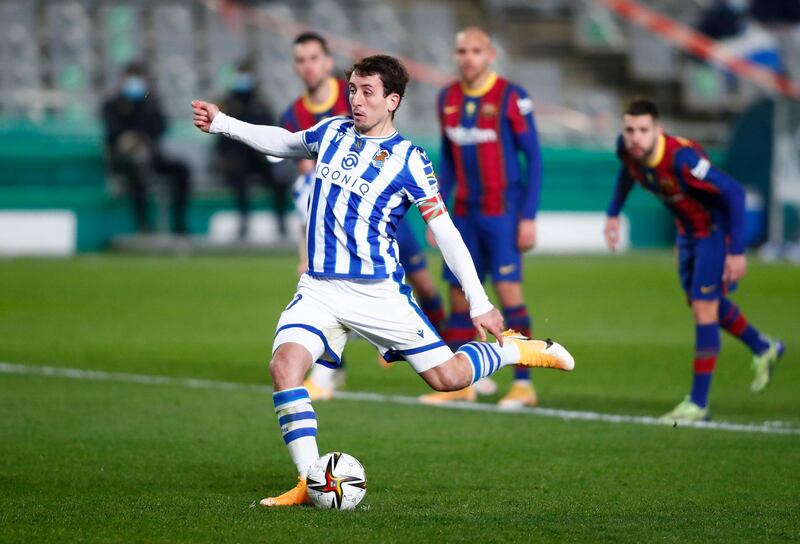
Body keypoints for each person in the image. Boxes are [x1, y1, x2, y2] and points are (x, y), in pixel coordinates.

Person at [192, 54, 574, 507]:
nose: (356, 99)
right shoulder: (332, 132)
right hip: (318, 288)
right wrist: (223, 123)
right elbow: (285, 141)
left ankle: (515, 349)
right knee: (284, 369)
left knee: (447, 377)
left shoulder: (410, 160)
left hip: (378, 294)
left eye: (367, 92)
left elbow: (446, 233)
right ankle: (308, 481)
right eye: (353, 89)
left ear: (392, 101)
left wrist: (478, 302)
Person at [283, 32, 446, 399]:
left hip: (382, 220)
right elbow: (305, 190)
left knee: (423, 284)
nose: (307, 66)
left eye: (313, 58)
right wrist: (303, 250)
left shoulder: (364, 110)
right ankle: (330, 371)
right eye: (300, 60)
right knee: (332, 298)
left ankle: (435, 346)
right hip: (333, 223)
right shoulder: (294, 114)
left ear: (326, 61)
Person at [604, 98, 785, 423]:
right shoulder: (627, 149)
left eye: (643, 130)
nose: (635, 137)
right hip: (687, 231)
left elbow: (734, 193)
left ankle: (698, 403)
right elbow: (626, 174)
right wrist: (613, 214)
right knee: (705, 302)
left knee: (704, 308)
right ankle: (764, 346)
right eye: (629, 130)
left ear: (657, 130)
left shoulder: (681, 158)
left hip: (714, 230)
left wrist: (737, 252)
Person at [422, 27, 544, 408]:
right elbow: (448, 161)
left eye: (475, 51)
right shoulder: (448, 98)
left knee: (509, 295)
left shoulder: (510, 96)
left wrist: (527, 217)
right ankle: (463, 383)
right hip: (463, 215)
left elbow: (534, 159)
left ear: (490, 54)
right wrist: (435, 216)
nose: (467, 57)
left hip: (502, 214)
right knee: (459, 297)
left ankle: (523, 384)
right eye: (461, 51)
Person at [102, 62, 190, 235]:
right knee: (138, 169)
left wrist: (141, 134)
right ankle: (143, 225)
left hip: (152, 155)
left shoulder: (151, 103)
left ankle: (179, 223)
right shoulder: (112, 104)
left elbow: (161, 127)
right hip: (124, 160)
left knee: (182, 170)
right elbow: (113, 134)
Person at [215, 61, 284, 239]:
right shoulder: (227, 104)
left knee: (279, 179)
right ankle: (243, 222)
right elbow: (219, 135)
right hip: (236, 157)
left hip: (259, 156)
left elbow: (271, 129)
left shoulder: (260, 103)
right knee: (239, 179)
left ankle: (281, 221)